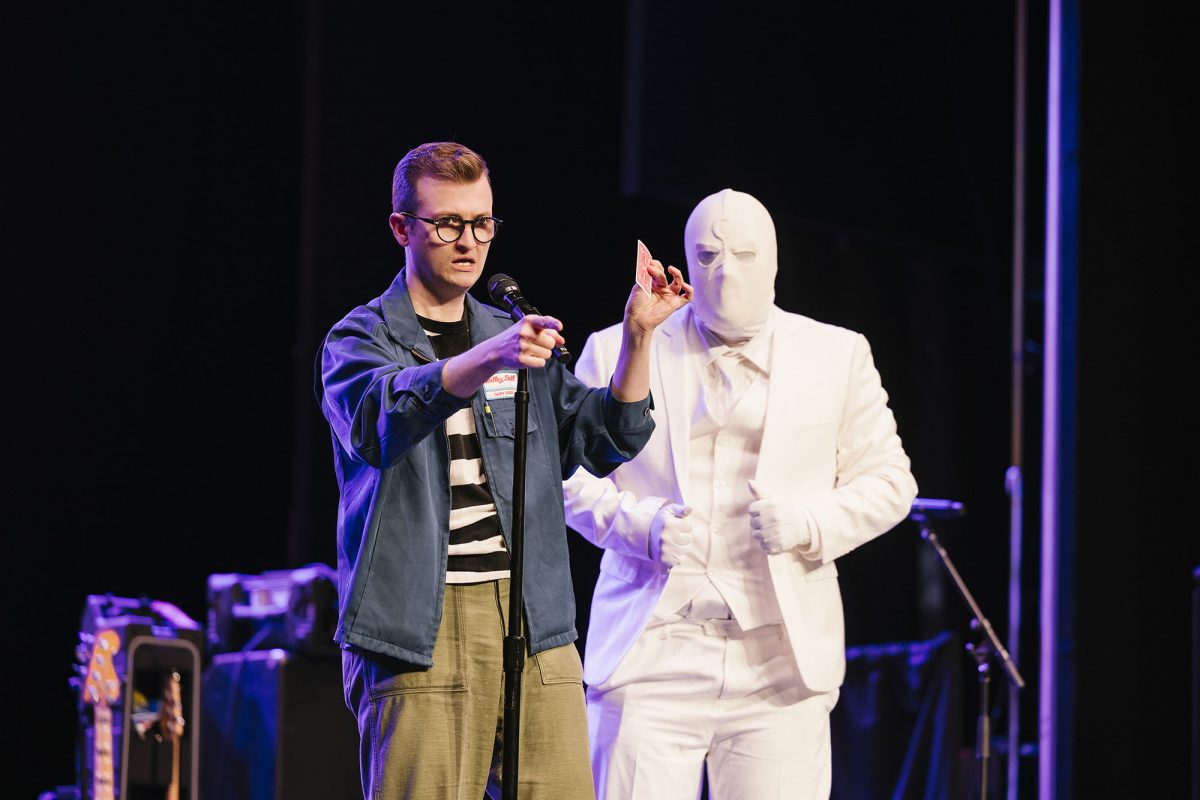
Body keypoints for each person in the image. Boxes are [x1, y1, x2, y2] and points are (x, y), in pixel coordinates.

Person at [316, 141, 692, 800]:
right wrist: (487, 356)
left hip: (533, 618)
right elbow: (381, 418)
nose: (469, 242)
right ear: (402, 228)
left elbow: (601, 437)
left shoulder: (509, 332)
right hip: (418, 627)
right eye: (447, 224)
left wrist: (638, 337)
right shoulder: (359, 339)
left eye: (482, 223)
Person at [563, 188, 918, 799]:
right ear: (686, 261)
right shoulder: (617, 346)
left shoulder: (836, 354)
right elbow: (567, 477)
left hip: (780, 662)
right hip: (651, 653)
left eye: (745, 253)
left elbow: (891, 481)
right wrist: (637, 526)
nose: (726, 271)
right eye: (707, 255)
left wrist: (810, 521)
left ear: (775, 261)